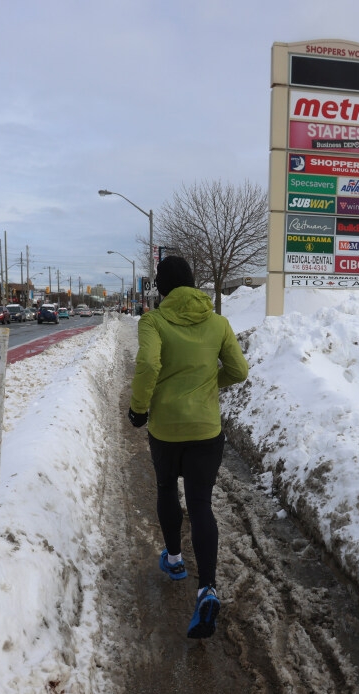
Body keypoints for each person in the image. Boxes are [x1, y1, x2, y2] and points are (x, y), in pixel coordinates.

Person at [127, 255, 249, 639]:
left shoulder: (154, 321)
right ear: (194, 284)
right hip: (206, 430)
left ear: (162, 288)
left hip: (166, 430)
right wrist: (209, 387)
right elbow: (239, 370)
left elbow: (147, 364)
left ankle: (175, 561)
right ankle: (207, 588)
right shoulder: (218, 322)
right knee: (200, 504)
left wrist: (138, 409)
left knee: (166, 489)